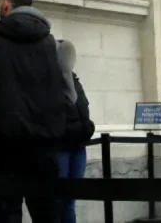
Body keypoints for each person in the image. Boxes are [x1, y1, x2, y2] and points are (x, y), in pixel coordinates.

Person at [0, 0, 76, 223]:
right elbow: (70, 97)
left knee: (5, 215)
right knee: (47, 215)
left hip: (3, 148)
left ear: (6, 5)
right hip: (44, 147)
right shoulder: (53, 44)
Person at [56, 39, 94, 223]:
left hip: (78, 145)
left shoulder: (75, 81)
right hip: (61, 147)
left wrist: (88, 127)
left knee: (70, 200)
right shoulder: (50, 83)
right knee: (59, 200)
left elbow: (82, 110)